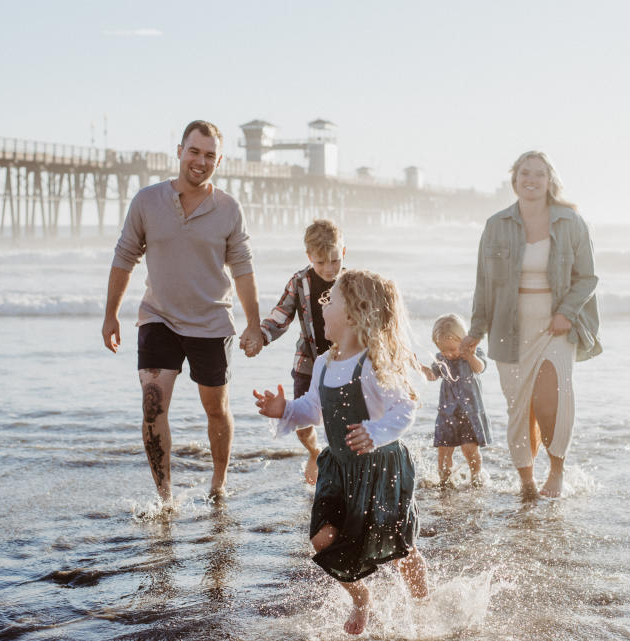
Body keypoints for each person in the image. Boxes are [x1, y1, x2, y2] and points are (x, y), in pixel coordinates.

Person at [254, 270, 429, 636]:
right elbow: (313, 410)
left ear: (353, 314)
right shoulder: (324, 363)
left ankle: (426, 608)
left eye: (330, 300)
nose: (322, 305)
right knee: (323, 537)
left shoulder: (375, 362)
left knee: (398, 548)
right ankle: (361, 597)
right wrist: (284, 411)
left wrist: (375, 433)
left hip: (381, 469)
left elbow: (405, 410)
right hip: (339, 470)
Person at [101, 119, 264, 504]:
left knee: (216, 409)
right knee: (152, 403)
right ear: (179, 151)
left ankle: (218, 483)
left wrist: (254, 324)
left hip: (211, 322)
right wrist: (111, 314)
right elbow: (125, 256)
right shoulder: (147, 201)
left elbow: (242, 268)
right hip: (158, 318)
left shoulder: (228, 209)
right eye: (194, 151)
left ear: (218, 161)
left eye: (209, 155)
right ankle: (164, 497)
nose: (200, 161)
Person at [462, 150, 601, 500]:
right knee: (519, 407)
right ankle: (526, 482)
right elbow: (484, 283)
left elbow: (587, 277)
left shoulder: (570, 222)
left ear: (550, 181)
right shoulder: (496, 225)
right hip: (509, 326)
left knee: (554, 399)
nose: (532, 179)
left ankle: (556, 472)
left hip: (557, 325)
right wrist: (476, 331)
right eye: (526, 173)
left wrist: (567, 312)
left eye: (539, 174)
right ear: (514, 179)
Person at [251, 219, 345, 485]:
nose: (329, 268)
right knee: (303, 425)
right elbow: (282, 314)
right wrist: (262, 335)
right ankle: (315, 451)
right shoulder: (300, 281)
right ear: (309, 257)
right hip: (308, 362)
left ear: (344, 252)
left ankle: (339, 467)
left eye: (335, 260)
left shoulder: (351, 282)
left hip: (344, 364)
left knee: (341, 422)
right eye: (321, 262)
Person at [422, 313, 492, 487]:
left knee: (470, 450)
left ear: (462, 340)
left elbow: (480, 368)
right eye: (443, 350)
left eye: (452, 349)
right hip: (447, 414)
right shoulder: (441, 358)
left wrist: (470, 356)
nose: (448, 354)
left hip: (470, 412)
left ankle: (476, 478)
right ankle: (445, 481)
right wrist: (423, 370)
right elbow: (433, 376)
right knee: (444, 453)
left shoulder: (473, 354)